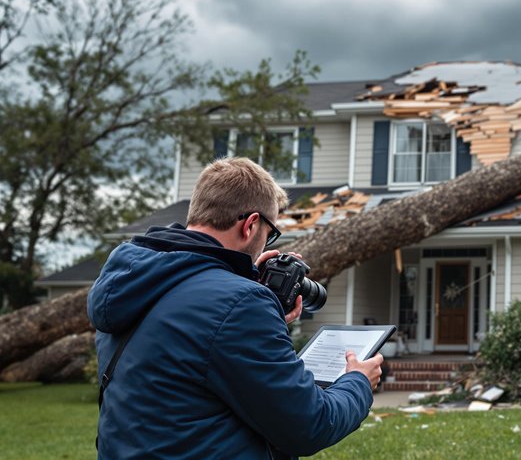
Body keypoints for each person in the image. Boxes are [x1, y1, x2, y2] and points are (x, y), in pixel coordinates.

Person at [88, 157, 382, 459]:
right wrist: (358, 381)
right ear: (251, 224)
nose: (267, 241)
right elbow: (310, 425)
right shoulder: (239, 304)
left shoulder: (134, 282)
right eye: (271, 233)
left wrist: (252, 290)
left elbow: (186, 363)